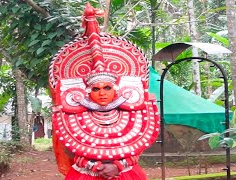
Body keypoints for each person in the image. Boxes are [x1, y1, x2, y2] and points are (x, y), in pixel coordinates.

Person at [49, 3, 160, 180]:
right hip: (87, 174)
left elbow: (139, 143)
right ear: (87, 90)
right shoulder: (72, 114)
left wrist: (118, 167)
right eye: (96, 88)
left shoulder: (133, 113)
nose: (102, 93)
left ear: (116, 89)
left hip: (125, 173)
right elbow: (69, 145)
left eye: (107, 88)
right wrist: (96, 166)